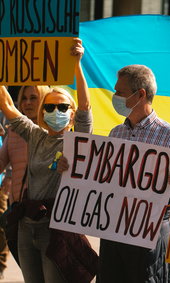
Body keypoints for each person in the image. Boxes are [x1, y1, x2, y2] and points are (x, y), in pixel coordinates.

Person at [0, 38, 97, 283]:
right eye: (50, 108)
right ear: (42, 113)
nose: (56, 112)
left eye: (63, 107)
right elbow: (8, 105)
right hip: (26, 225)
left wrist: (77, 64)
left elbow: (85, 104)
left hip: (57, 228)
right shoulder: (35, 135)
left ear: (73, 114)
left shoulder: (78, 141)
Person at [96, 64, 170, 283]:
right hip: (114, 231)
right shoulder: (116, 133)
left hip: (150, 234)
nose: (115, 96)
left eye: (120, 92)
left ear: (140, 95)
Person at [0, 85, 50, 267]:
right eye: (24, 98)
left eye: (33, 98)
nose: (27, 103)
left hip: (48, 216)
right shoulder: (13, 132)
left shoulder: (55, 132)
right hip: (20, 214)